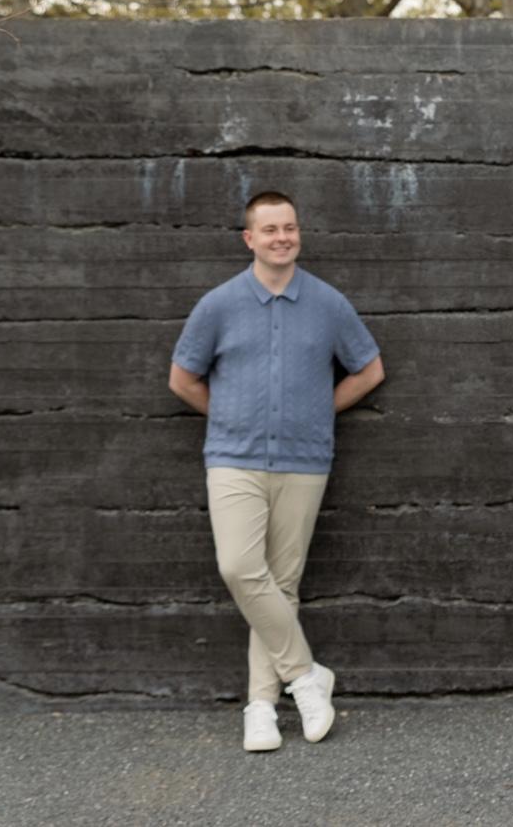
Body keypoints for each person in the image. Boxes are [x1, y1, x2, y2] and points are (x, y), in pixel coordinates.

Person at [168, 190, 385, 753]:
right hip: (233, 460)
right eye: (270, 230)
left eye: (289, 227)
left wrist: (318, 412)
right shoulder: (218, 305)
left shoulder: (328, 304)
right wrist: (232, 416)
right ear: (249, 239)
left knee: (282, 586)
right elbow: (182, 379)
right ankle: (306, 676)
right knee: (240, 568)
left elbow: (369, 370)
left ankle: (261, 708)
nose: (282, 237)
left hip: (305, 461)